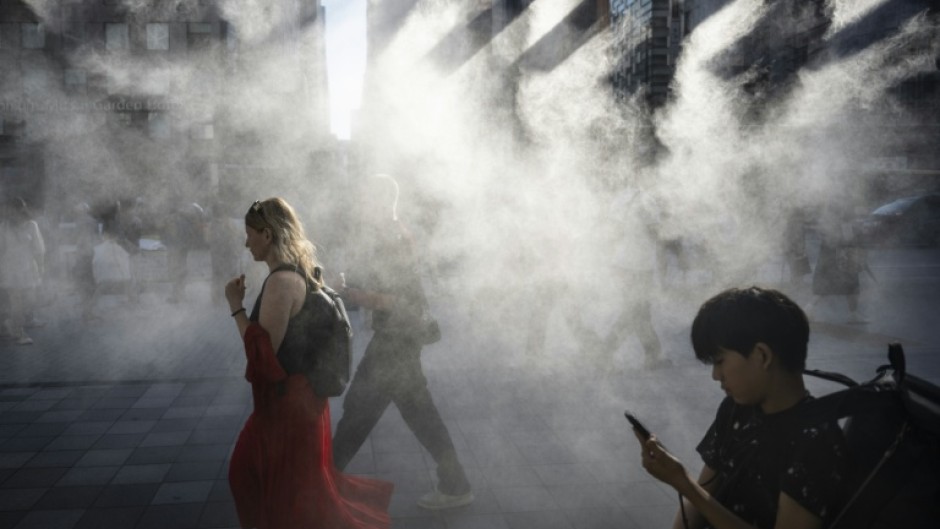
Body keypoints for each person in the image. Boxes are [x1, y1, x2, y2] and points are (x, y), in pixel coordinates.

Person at [225, 197, 393, 529]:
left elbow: (262, 354)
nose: (246, 243)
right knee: (296, 494)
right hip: (303, 404)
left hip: (285, 410)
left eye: (250, 234)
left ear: (268, 235)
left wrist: (235, 307)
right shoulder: (300, 272)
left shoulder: (281, 283)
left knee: (246, 477)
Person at [632, 286, 849, 529]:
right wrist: (685, 487)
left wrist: (684, 485)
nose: (716, 375)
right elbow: (704, 494)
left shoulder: (815, 441)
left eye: (720, 361)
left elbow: (697, 495)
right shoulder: (737, 409)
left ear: (762, 356)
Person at [331, 174, 474, 510]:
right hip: (399, 339)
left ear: (379, 202)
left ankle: (320, 482)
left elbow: (398, 299)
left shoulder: (392, 237)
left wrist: (351, 294)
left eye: (365, 199)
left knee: (360, 412)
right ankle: (456, 484)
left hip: (396, 340)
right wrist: (351, 283)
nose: (360, 206)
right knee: (413, 414)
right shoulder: (393, 233)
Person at [0, 197, 45, 345]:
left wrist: (41, 267)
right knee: (16, 302)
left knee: (29, 300)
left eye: (17, 209)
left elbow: (39, 249)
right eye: (10, 210)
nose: (14, 213)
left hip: (28, 268)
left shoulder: (31, 225)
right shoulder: (3, 227)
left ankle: (7, 325)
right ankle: (19, 333)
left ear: (22, 208)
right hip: (10, 268)